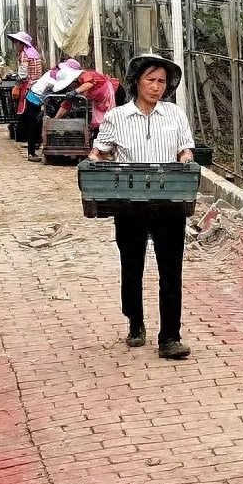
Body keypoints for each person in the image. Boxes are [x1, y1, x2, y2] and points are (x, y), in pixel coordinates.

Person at [88, 53, 194, 358]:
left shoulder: (175, 115)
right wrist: (92, 166)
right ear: (137, 81)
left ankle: (170, 338)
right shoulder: (116, 117)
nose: (156, 86)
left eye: (161, 81)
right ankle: (135, 321)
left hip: (169, 201)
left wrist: (185, 161)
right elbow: (101, 152)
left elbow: (184, 149)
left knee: (171, 271)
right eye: (150, 79)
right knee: (132, 266)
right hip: (130, 203)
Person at [7, 32, 43, 160]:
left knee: (30, 120)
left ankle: (31, 151)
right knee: (36, 119)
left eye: (17, 42)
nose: (15, 45)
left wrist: (16, 82)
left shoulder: (24, 55)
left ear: (22, 43)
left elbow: (22, 75)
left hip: (28, 90)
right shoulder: (35, 53)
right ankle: (36, 144)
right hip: (38, 88)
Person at [54, 67, 121, 130]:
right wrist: (55, 120)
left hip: (115, 92)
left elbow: (90, 83)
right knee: (103, 124)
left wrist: (76, 91)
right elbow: (66, 105)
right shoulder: (75, 87)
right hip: (101, 101)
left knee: (115, 118)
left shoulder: (84, 75)